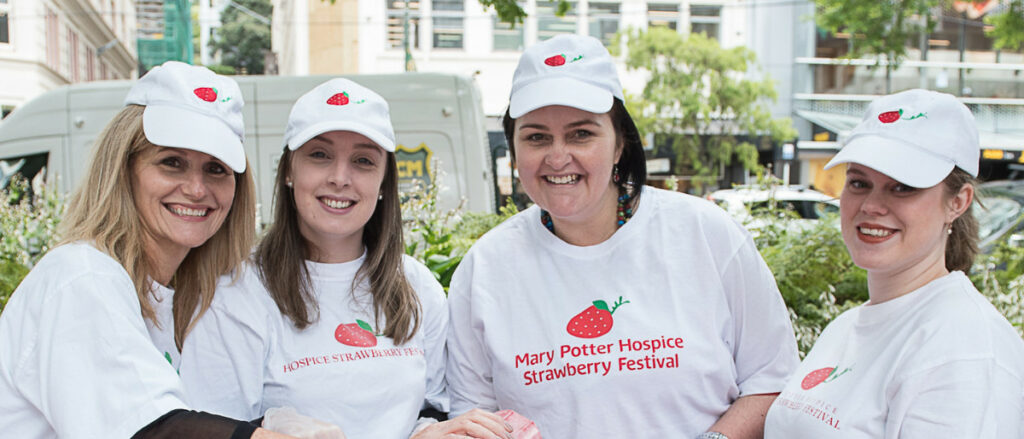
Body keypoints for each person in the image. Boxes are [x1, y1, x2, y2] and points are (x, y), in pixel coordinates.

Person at [445, 34, 800, 439]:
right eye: (536, 137)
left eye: (581, 134)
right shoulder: (486, 267)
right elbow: (472, 415)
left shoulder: (706, 234)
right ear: (514, 149)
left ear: (619, 145)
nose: (557, 157)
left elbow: (773, 379)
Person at [179, 78, 514, 439]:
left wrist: (430, 430)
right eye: (319, 155)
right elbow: (215, 428)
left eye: (363, 161)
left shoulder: (417, 286)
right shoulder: (235, 292)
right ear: (289, 170)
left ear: (384, 182)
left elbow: (432, 406)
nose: (340, 178)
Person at [0, 61, 298, 438]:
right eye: (172, 163)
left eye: (216, 169)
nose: (196, 188)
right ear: (123, 169)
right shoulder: (83, 278)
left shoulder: (167, 293)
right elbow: (152, 430)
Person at [763, 89, 1024, 438]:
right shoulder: (849, 325)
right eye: (859, 183)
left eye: (902, 187)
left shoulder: (965, 348)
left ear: (958, 202)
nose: (871, 205)